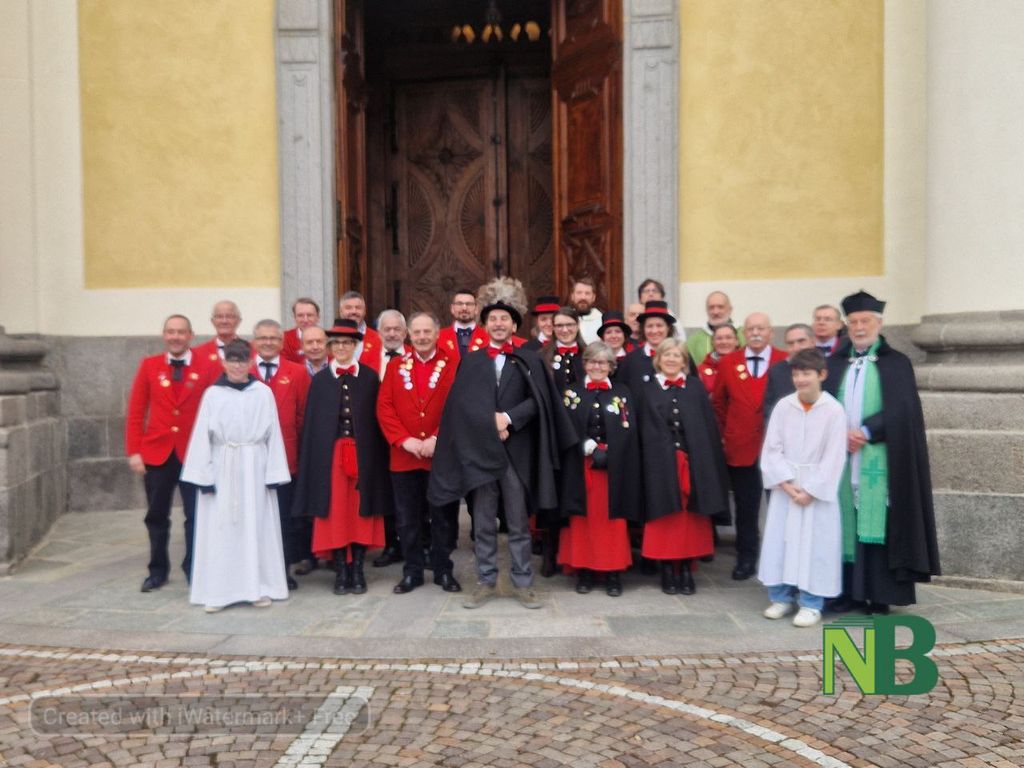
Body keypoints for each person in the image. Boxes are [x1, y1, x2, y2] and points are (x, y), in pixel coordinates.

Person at [428, 277, 577, 610]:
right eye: (493, 318)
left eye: (504, 319)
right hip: (481, 453)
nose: (498, 323)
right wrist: (490, 425)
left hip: (516, 455)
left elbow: (539, 402)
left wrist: (508, 419)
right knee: (483, 523)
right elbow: (462, 406)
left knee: (518, 523)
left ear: (514, 325)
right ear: (485, 325)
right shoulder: (472, 361)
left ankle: (523, 582)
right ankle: (486, 581)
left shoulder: (530, 359)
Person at [825, 290, 940, 613]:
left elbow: (903, 410)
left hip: (881, 456)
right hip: (841, 457)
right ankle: (848, 593)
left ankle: (879, 595)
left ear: (879, 323)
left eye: (865, 321)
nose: (859, 327)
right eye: (853, 322)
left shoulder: (897, 363)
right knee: (844, 520)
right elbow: (824, 406)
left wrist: (866, 431)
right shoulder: (834, 363)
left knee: (879, 521)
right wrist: (838, 434)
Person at [182, 339, 292, 613]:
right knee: (221, 529)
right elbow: (201, 436)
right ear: (223, 362)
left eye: (242, 360)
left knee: (255, 526)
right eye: (232, 360)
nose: (237, 366)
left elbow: (274, 434)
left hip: (255, 465)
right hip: (223, 466)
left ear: (251, 362)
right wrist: (204, 476)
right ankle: (219, 592)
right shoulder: (213, 394)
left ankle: (257, 587)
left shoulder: (263, 393)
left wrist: (274, 472)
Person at [292, 319, 393, 595]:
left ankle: (358, 569)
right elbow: (313, 428)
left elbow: (377, 421)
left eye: (346, 343)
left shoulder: (370, 378)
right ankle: (341, 570)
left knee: (360, 513)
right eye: (335, 343)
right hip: (331, 459)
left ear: (355, 346)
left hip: (363, 457)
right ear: (330, 347)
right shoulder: (320, 381)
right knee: (335, 512)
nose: (341, 348)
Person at [126, 314, 217, 592]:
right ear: (164, 335)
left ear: (191, 335)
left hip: (194, 453)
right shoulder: (150, 365)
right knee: (156, 516)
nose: (175, 337)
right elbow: (136, 410)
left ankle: (194, 568)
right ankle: (157, 570)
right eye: (170, 332)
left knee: (196, 516)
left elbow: (215, 410)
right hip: (157, 454)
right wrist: (134, 451)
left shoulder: (207, 366)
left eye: (181, 332)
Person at [758, 348, 846, 627]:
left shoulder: (833, 410)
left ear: (822, 374)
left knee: (815, 546)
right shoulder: (784, 406)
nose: (800, 380)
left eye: (806, 373)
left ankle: (811, 603)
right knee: (781, 542)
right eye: (796, 374)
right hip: (786, 487)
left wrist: (811, 490)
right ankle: (781, 597)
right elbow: (772, 448)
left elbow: (834, 456)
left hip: (815, 491)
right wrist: (785, 484)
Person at [376, 312, 461, 594]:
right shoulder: (395, 366)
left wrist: (437, 437)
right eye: (417, 332)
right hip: (405, 457)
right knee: (407, 519)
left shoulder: (453, 364)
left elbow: (458, 405)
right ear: (408, 335)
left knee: (443, 517)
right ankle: (412, 571)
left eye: (427, 332)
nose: (422, 337)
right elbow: (384, 407)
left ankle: (443, 569)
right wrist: (404, 440)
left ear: (437, 334)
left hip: (441, 456)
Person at [639, 338, 730, 595]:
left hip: (693, 462)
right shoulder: (647, 390)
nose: (671, 359)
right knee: (666, 516)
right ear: (658, 359)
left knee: (691, 518)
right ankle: (668, 568)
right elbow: (644, 429)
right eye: (666, 354)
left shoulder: (695, 387)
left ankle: (688, 567)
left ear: (684, 361)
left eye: (677, 355)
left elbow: (706, 427)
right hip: (660, 465)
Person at [557, 342, 641, 596]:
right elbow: (564, 427)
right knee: (582, 521)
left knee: (611, 522)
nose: (597, 366)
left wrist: (611, 450)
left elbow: (629, 428)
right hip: (580, 468)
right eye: (592, 361)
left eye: (602, 362)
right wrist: (587, 446)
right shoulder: (571, 393)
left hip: (613, 470)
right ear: (585, 364)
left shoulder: (622, 392)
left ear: (611, 366)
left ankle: (613, 572)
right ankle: (584, 571)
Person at [713, 312, 787, 581]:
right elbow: (719, 403)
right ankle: (746, 558)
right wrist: (730, 432)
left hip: (777, 448)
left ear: (771, 332)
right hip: (741, 447)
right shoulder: (729, 362)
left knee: (781, 505)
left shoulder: (784, 360)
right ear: (744, 333)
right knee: (746, 508)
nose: (756, 333)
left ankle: (783, 559)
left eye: (761, 328)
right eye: (751, 328)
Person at [249, 319, 310, 589]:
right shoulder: (242, 371)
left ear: (282, 342)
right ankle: (252, 571)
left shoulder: (297, 372)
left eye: (273, 338)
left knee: (283, 517)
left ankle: (282, 570)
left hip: (286, 458)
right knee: (253, 516)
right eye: (263, 338)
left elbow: (303, 417)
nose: (268, 343)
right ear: (254, 341)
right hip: (249, 459)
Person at [615, 300, 676, 399]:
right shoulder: (631, 360)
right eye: (649, 326)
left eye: (659, 326)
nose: (654, 331)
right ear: (643, 329)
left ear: (668, 328)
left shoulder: (680, 357)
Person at [762, 323, 815, 423]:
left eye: (801, 341)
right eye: (790, 343)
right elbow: (769, 408)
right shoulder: (777, 371)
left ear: (813, 342)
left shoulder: (827, 368)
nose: (796, 348)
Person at [686, 291, 744, 367]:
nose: (716, 312)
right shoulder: (693, 341)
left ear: (730, 309)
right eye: (711, 308)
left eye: (720, 307)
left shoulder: (744, 334)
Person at [539, 307, 586, 396]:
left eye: (569, 325)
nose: (565, 330)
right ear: (553, 328)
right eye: (559, 325)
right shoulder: (541, 356)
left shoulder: (589, 355)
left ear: (578, 326)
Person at [337, 290, 383, 374]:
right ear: (340, 312)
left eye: (358, 308)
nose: (354, 311)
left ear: (364, 311)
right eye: (348, 308)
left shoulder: (378, 339)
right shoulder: (331, 338)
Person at [438, 289, 489, 360]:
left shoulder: (488, 337)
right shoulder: (438, 337)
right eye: (459, 304)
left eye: (469, 304)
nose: (464, 308)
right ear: (452, 308)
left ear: (476, 309)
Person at [193, 300, 243, 368]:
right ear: (212, 321)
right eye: (219, 317)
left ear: (239, 321)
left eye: (229, 316)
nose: (224, 321)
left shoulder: (252, 352)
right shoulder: (197, 354)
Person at [697, 324, 739, 394]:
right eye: (719, 338)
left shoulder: (748, 365)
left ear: (737, 341)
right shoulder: (700, 371)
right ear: (712, 342)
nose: (724, 342)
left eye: (728, 338)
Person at [282, 298, 321, 364]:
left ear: (318, 317)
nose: (305, 320)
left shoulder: (328, 338)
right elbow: (284, 364)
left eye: (309, 315)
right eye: (300, 315)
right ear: (295, 317)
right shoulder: (284, 339)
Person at [570, 277, 603, 344]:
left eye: (587, 293)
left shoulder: (602, 321)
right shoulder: (565, 319)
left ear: (593, 297)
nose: (583, 297)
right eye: (579, 293)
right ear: (572, 296)